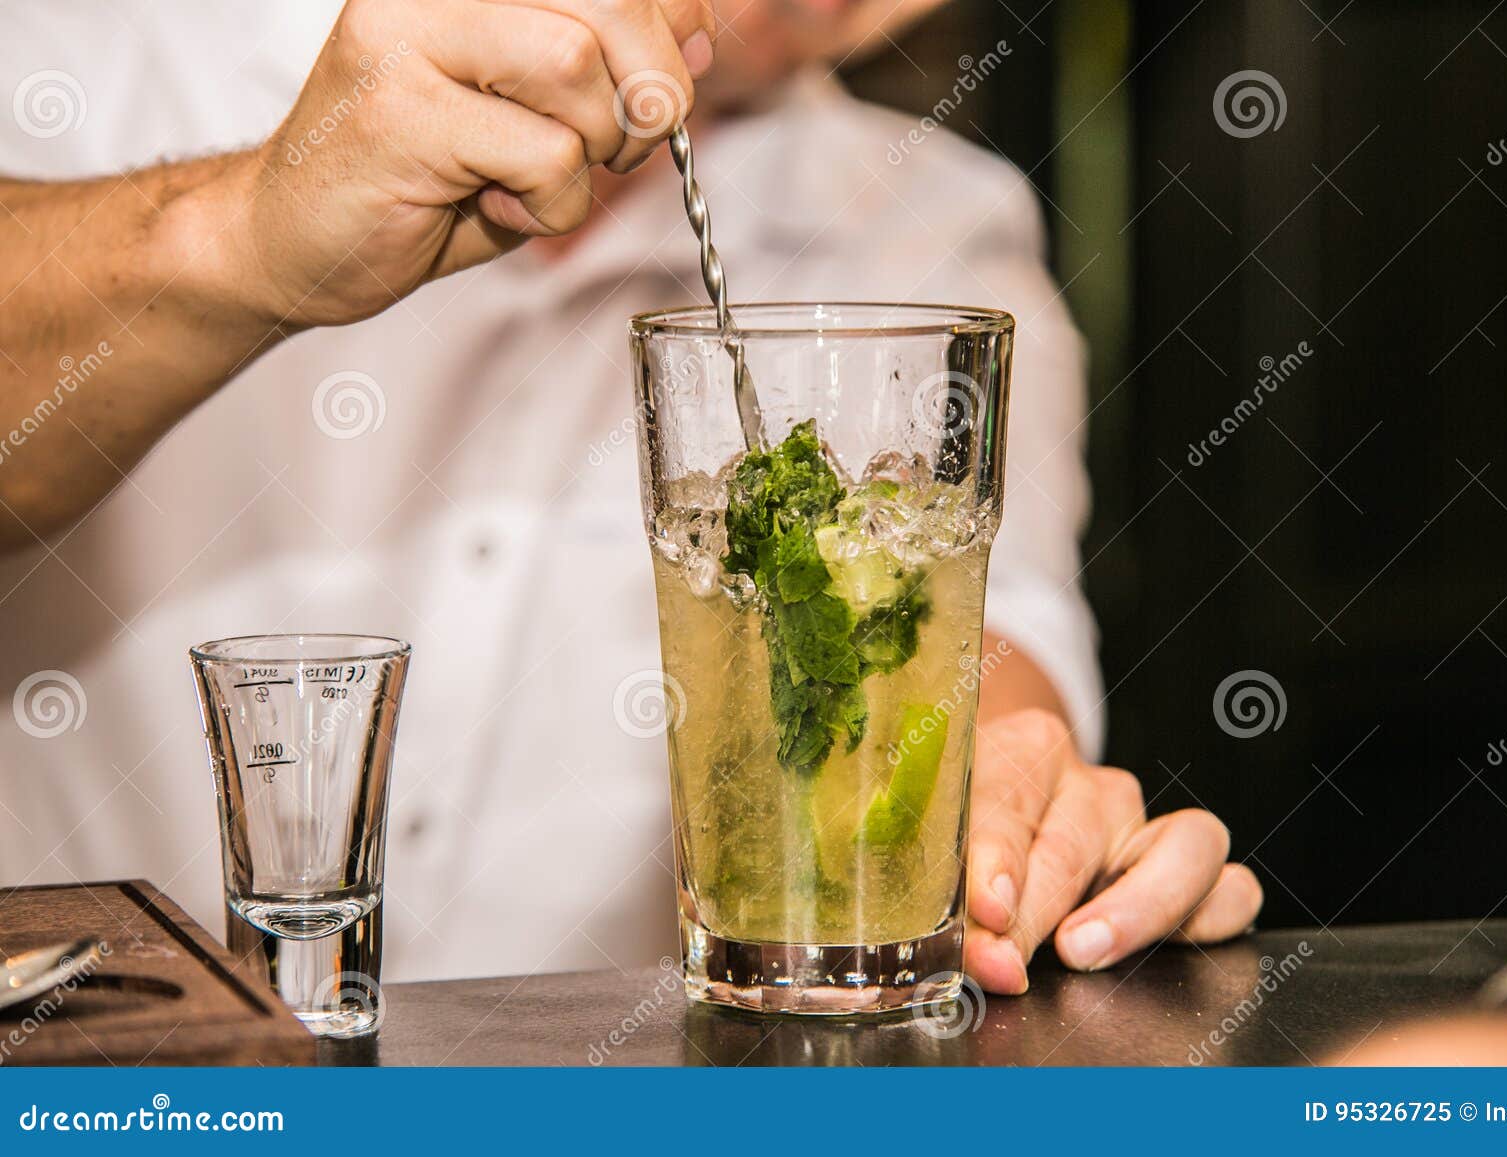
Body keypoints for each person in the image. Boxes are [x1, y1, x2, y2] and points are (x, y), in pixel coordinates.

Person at [0, 0, 1261, 990]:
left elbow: (988, 629)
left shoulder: (933, 221)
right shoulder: (76, 51)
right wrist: (243, 229)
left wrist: (1009, 810)